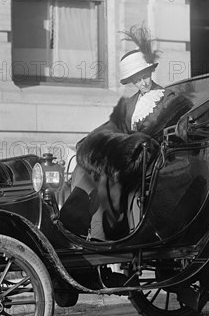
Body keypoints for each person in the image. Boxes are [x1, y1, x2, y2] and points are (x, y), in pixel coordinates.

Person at [61, 26, 193, 240]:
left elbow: (174, 132)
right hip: (127, 155)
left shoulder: (170, 99)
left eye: (145, 76)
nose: (143, 82)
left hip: (150, 159)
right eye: (138, 79)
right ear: (132, 81)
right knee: (86, 170)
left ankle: (100, 236)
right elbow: (112, 126)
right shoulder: (131, 103)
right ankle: (73, 225)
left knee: (107, 176)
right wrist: (91, 141)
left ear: (151, 72)